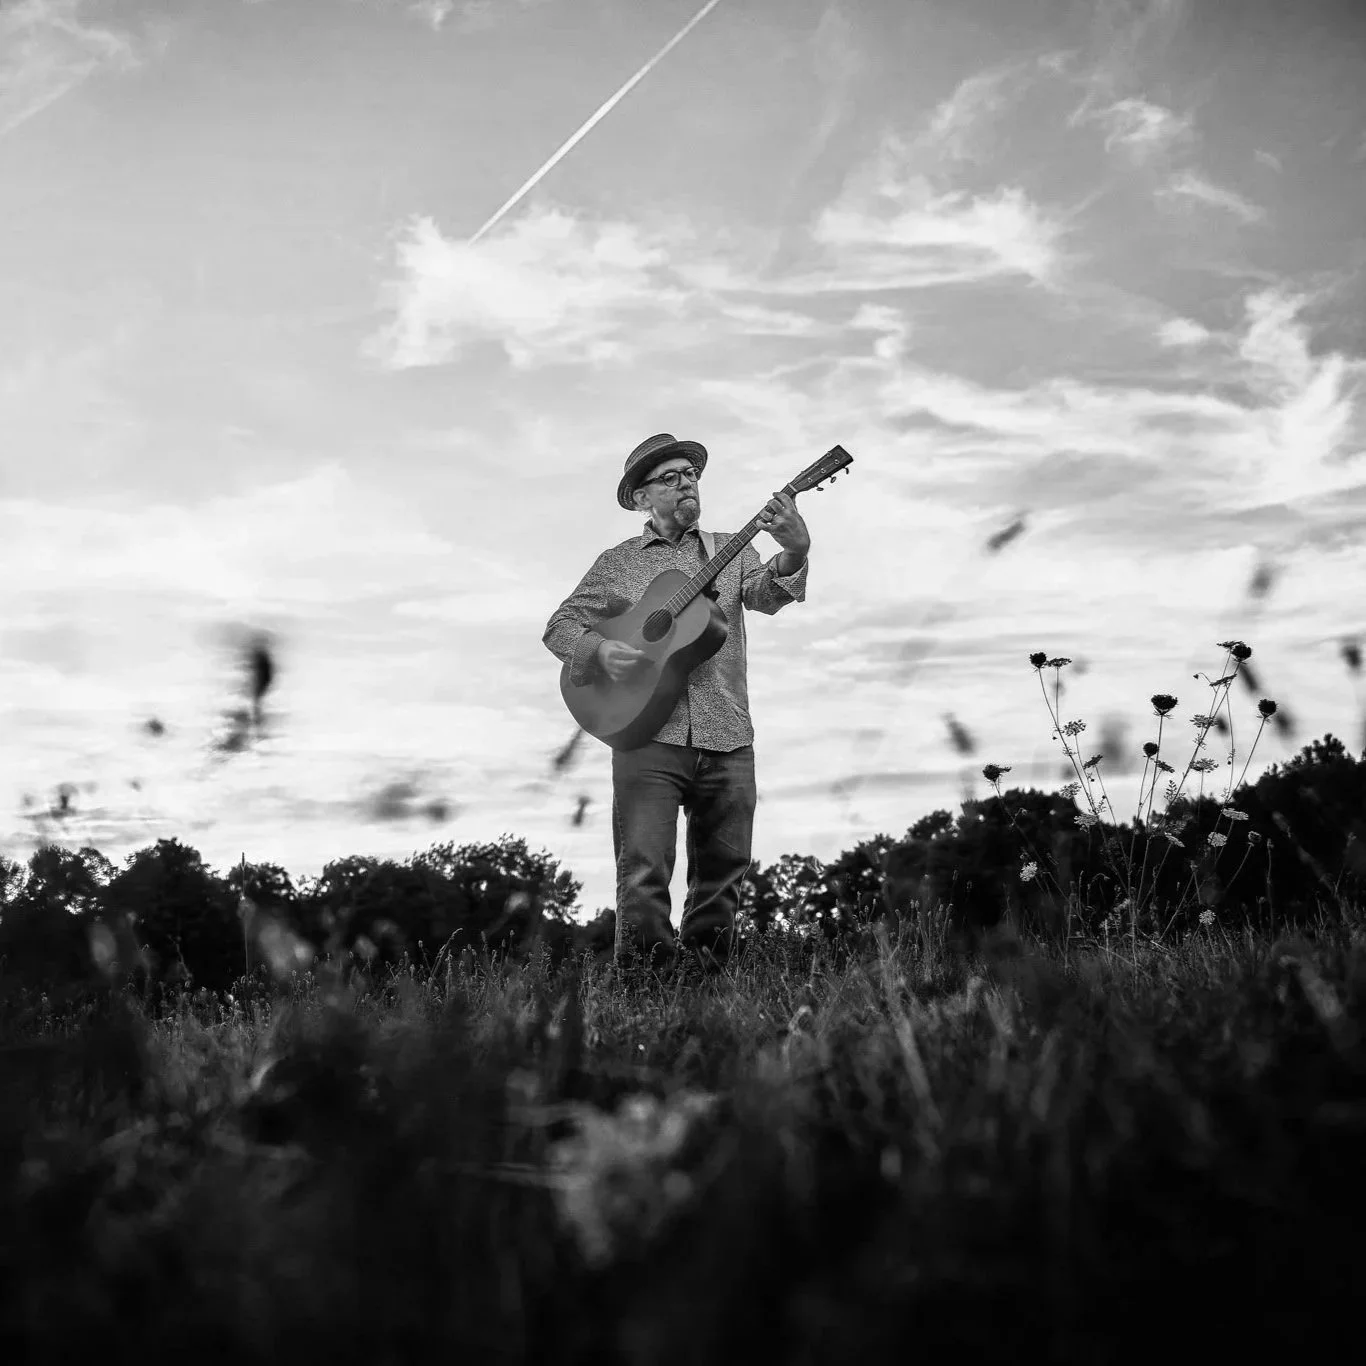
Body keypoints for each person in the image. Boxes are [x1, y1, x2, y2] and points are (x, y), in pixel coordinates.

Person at [542, 432, 811, 972]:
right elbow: (560, 627)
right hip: (644, 734)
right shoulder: (617, 563)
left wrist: (796, 551)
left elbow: (768, 595)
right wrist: (600, 650)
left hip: (727, 731)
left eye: (692, 474)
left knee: (724, 869)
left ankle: (707, 987)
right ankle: (646, 989)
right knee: (643, 870)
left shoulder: (729, 548)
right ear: (641, 498)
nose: (687, 482)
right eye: (671, 477)